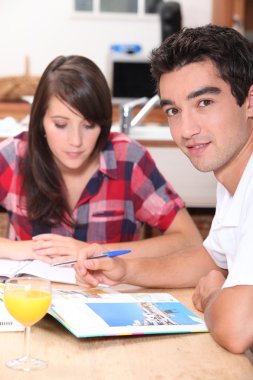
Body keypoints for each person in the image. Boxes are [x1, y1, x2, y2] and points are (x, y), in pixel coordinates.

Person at [74, 25, 253, 354]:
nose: (187, 130)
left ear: (249, 101)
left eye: (204, 102)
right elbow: (209, 258)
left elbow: (237, 328)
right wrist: (126, 270)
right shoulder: (233, 179)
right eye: (174, 110)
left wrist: (215, 291)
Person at [0, 55, 202, 263]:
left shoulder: (128, 158)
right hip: (31, 293)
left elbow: (189, 240)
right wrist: (20, 249)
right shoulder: (14, 155)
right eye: (61, 124)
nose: (76, 141)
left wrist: (96, 252)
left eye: (89, 126)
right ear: (40, 122)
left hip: (110, 293)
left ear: (103, 124)